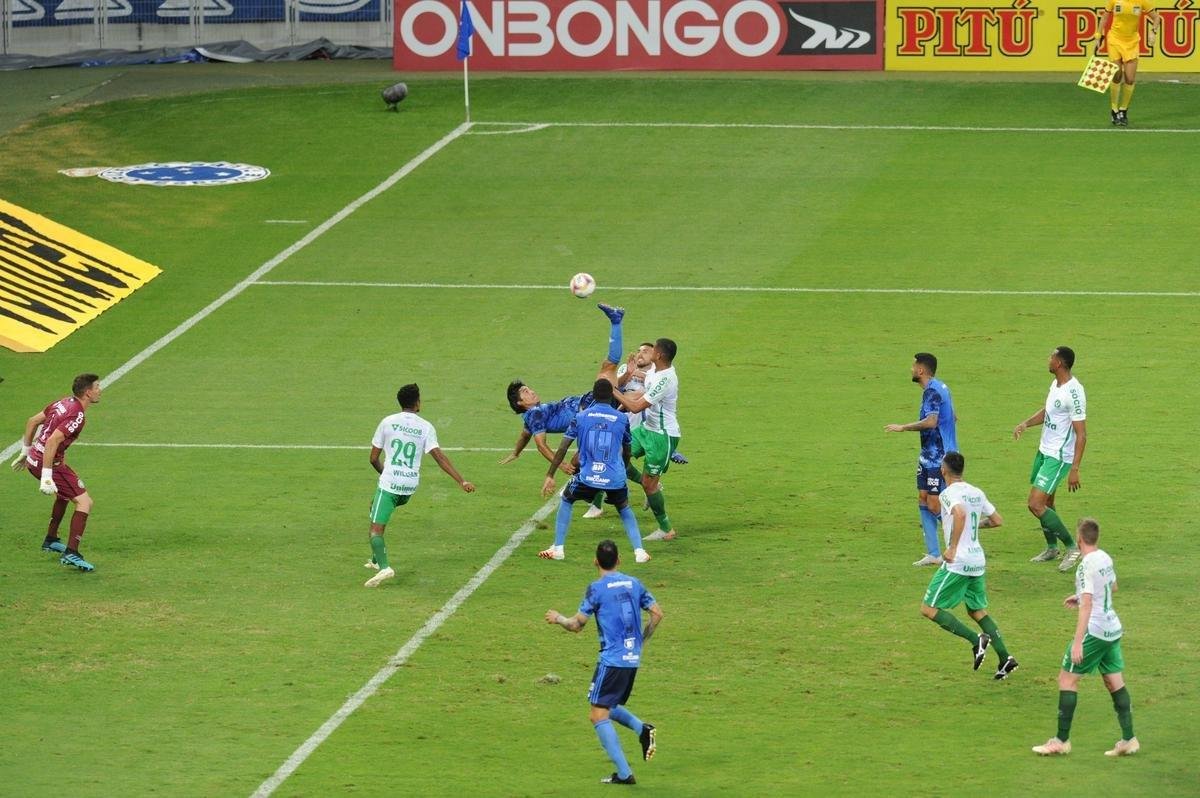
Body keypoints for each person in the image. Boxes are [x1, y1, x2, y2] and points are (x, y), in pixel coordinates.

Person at [545, 539, 663, 785]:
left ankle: (624, 774)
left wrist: (558, 619)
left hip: (612, 661)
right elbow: (657, 613)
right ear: (619, 560)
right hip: (632, 660)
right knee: (607, 704)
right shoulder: (634, 583)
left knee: (598, 715)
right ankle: (643, 729)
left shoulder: (596, 589)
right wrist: (642, 640)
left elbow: (576, 625)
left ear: (595, 561)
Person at [501, 303, 631, 516]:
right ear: (520, 404)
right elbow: (541, 445)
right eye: (525, 393)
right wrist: (559, 468)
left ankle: (595, 494)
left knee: (610, 370)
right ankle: (616, 322)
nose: (531, 391)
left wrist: (516, 452)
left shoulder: (532, 416)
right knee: (609, 368)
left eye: (528, 388)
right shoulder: (534, 414)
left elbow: (524, 435)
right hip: (588, 408)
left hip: (587, 406)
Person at [1032, 518, 1136, 757]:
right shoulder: (1105, 558)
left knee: (1067, 679)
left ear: (1079, 539)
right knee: (1114, 682)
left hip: (1096, 631)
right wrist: (1079, 595)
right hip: (1113, 629)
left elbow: (1088, 605)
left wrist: (1078, 641)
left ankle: (1060, 740)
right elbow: (1113, 587)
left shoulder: (1085, 565)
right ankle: (1129, 739)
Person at [918, 452, 1018, 679]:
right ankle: (1006, 659)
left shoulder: (947, 494)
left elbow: (960, 513)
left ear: (944, 470)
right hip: (977, 560)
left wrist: (952, 547)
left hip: (959, 562)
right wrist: (973, 529)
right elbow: (996, 521)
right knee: (976, 610)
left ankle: (977, 640)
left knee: (928, 608)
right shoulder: (976, 492)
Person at [364, 383, 474, 587]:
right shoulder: (425, 426)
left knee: (375, 530)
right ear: (417, 403)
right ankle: (376, 558)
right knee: (375, 506)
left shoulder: (387, 422)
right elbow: (440, 458)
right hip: (410, 487)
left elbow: (373, 458)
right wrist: (462, 480)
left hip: (390, 484)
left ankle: (385, 567)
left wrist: (387, 474)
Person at [539, 379, 650, 564]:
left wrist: (550, 474)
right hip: (614, 476)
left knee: (567, 498)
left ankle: (558, 548)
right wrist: (623, 471)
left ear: (594, 395)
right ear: (612, 396)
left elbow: (563, 448)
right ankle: (639, 551)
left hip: (588, 476)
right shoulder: (622, 419)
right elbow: (628, 450)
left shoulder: (581, 417)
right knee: (624, 508)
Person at [11, 373, 103, 572]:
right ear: (87, 393)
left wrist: (25, 452)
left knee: (63, 495)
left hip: (37, 457)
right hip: (48, 463)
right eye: (97, 387)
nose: (99, 390)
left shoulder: (62, 402)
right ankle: (72, 552)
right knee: (85, 502)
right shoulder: (77, 415)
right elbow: (53, 441)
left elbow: (32, 421)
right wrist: (46, 476)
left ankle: (51, 539)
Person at [1013, 346, 1087, 571]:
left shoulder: (1074, 392)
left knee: (1035, 504)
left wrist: (1075, 468)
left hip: (1058, 457)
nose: (1048, 360)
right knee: (1048, 503)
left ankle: (1073, 547)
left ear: (1060, 363)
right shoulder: (1056, 385)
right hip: (1045, 451)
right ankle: (1052, 548)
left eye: (1051, 357)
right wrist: (1025, 423)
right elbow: (1048, 412)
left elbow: (1081, 433)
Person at [885, 352, 958, 567]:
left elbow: (932, 422)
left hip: (940, 456)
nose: (911, 369)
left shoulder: (933, 391)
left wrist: (903, 427)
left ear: (921, 370)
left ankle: (959, 538)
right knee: (923, 499)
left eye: (913, 366)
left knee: (935, 505)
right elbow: (952, 416)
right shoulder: (939, 387)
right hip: (928, 454)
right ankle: (934, 553)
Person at [613, 337, 680, 542]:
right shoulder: (654, 371)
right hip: (645, 430)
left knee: (648, 485)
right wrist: (627, 374)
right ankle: (647, 486)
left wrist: (613, 392)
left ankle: (666, 528)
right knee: (617, 456)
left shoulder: (665, 379)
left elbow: (636, 407)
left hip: (662, 436)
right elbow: (639, 393)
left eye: (652, 350)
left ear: (658, 355)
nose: (647, 352)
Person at [1095, 0, 1162, 126]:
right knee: (1117, 73)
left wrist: (1153, 32)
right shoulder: (1113, 1)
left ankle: (1123, 110)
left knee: (1130, 79)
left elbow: (1157, 17)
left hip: (1132, 42)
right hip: (1114, 39)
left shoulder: (1142, 1)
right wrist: (1098, 35)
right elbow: (1104, 18)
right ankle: (1114, 108)